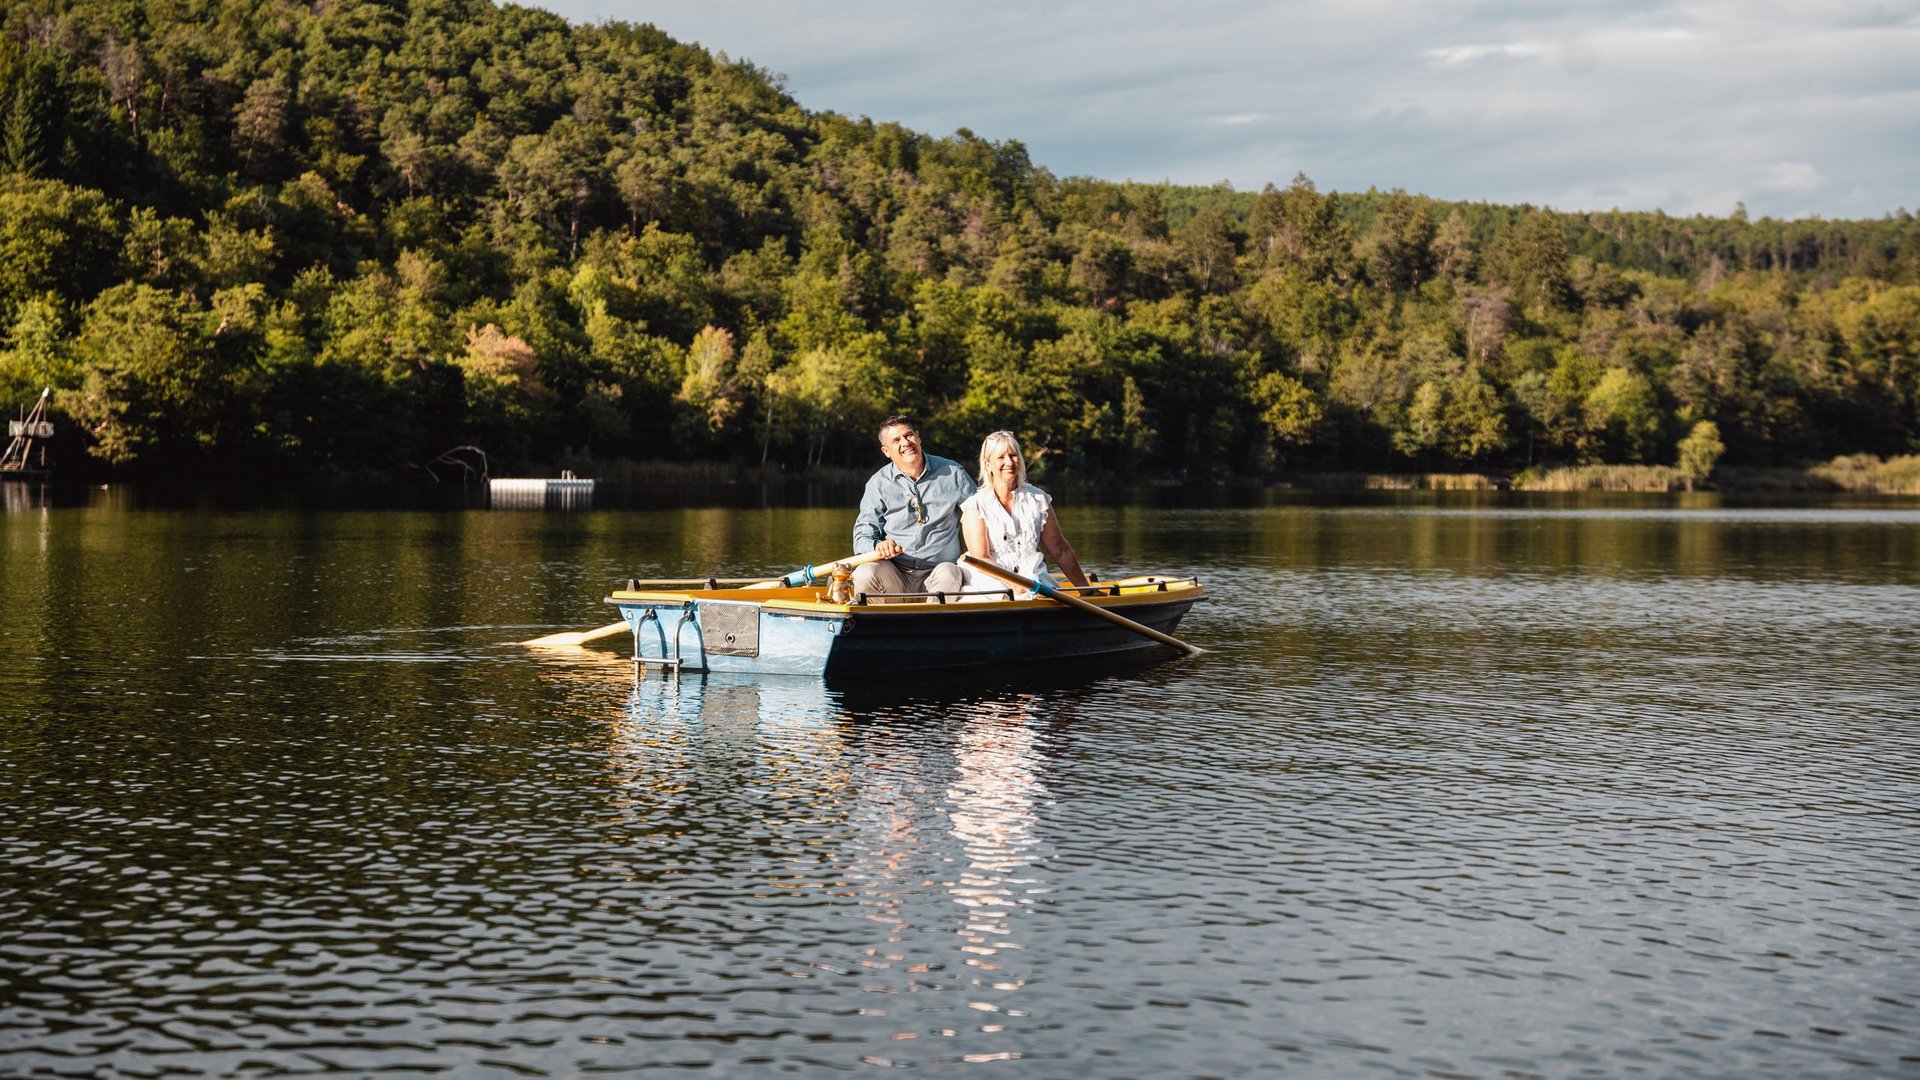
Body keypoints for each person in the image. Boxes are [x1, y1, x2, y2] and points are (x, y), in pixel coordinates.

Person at [851, 416, 977, 601]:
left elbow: (983, 514)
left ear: (918, 437)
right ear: (886, 451)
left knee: (951, 573)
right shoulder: (877, 484)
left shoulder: (953, 473)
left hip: (938, 572)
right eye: (896, 440)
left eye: (908, 435)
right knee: (864, 573)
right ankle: (879, 626)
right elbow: (862, 536)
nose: (905, 443)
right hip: (895, 572)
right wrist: (878, 546)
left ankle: (932, 626)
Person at [960, 430, 1088, 597]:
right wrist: (1013, 584)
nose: (1009, 462)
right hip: (989, 578)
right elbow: (981, 558)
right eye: (1000, 457)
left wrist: (1085, 589)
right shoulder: (975, 505)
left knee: (1041, 593)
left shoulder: (1038, 499)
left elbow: (1060, 549)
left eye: (1013, 456)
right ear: (988, 463)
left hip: (1033, 575)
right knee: (1004, 596)